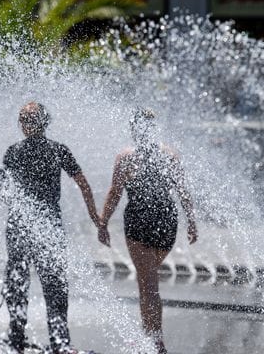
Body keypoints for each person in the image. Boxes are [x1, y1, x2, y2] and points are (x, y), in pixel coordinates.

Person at [0, 102, 104, 354]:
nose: (24, 124)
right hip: (47, 227)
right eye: (22, 119)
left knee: (18, 281)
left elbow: (3, 191)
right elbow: (83, 184)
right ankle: (58, 343)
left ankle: (16, 338)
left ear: (39, 122)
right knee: (52, 284)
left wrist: (18, 205)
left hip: (20, 226)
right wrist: (92, 214)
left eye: (26, 119)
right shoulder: (56, 150)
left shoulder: (14, 151)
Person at [97, 108, 197, 353]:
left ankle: (156, 342)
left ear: (134, 129)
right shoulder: (170, 155)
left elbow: (115, 192)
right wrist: (192, 222)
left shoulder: (126, 156)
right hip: (166, 223)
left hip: (139, 223)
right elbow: (182, 191)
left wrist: (103, 221)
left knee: (148, 285)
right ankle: (148, 336)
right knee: (148, 281)